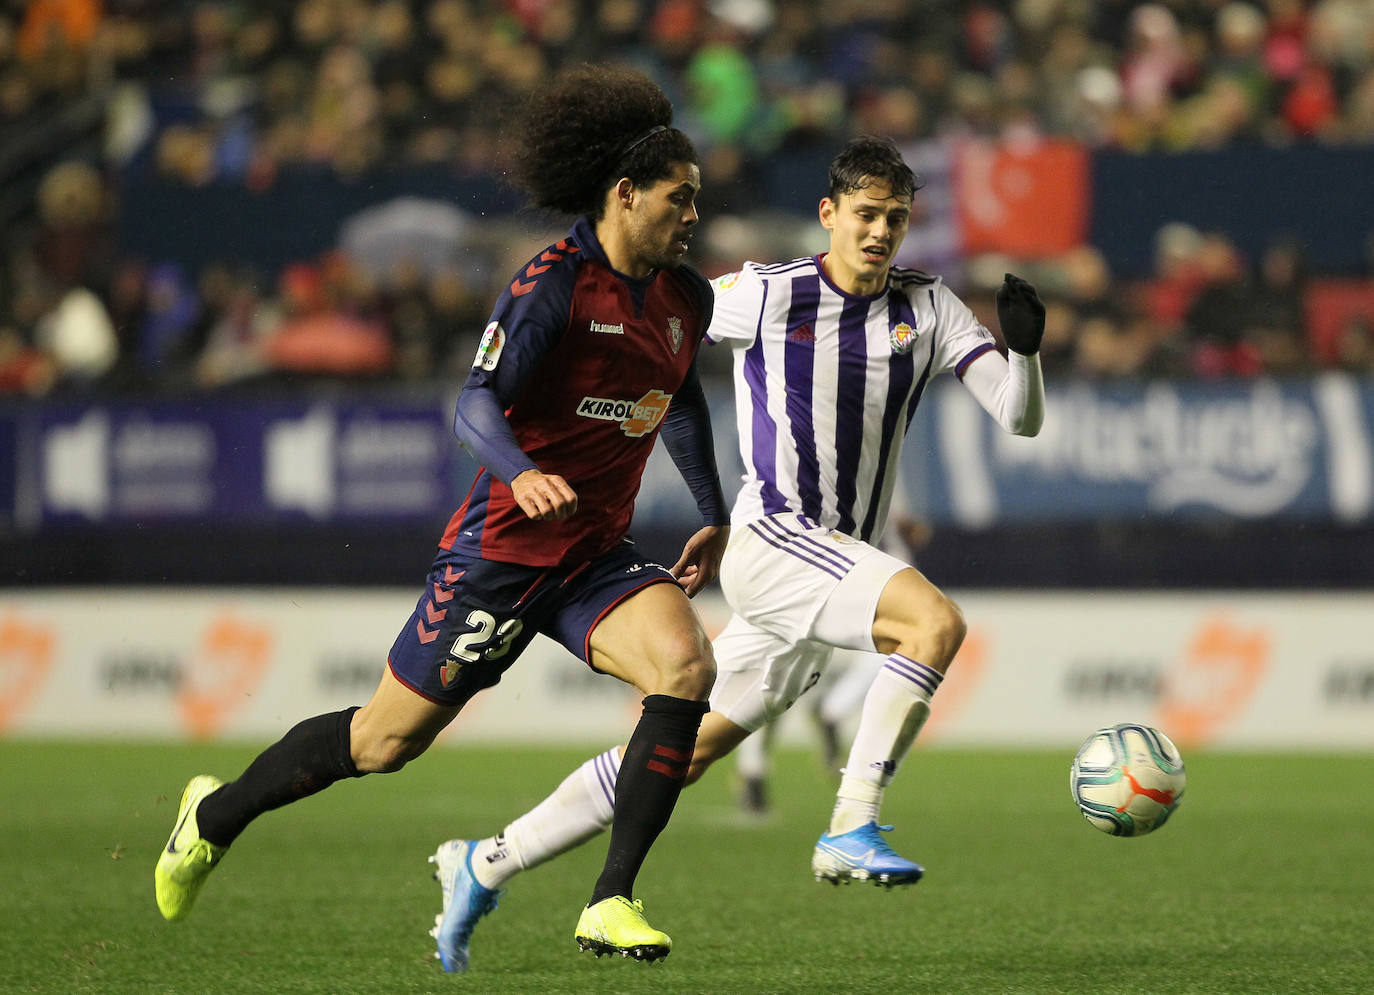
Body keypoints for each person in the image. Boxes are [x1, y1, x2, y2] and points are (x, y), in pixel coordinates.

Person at [154, 65, 731, 972]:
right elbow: (473, 405)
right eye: (680, 197)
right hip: (501, 555)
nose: (693, 215)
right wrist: (523, 470)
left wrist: (713, 510)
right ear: (625, 194)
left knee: (687, 666)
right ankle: (214, 814)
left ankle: (612, 899)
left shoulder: (684, 300)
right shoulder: (551, 285)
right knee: (382, 743)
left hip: (592, 556)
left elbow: (681, 400)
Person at [427, 135, 1047, 969]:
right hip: (777, 538)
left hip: (834, 560)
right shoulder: (765, 294)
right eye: (865, 215)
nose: (879, 232)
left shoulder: (928, 307)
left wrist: (1029, 352)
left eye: (895, 219)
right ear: (829, 215)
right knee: (933, 624)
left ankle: (486, 859)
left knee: (680, 755)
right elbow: (647, 315)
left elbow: (1019, 416)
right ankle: (851, 823)